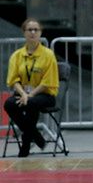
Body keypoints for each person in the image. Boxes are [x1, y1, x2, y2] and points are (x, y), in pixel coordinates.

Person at [4, 18, 59, 157]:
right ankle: (36, 136)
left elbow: (47, 82)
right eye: (29, 30)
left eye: (36, 30)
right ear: (24, 33)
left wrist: (29, 96)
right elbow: (13, 80)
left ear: (40, 33)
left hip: (44, 94)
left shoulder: (48, 54)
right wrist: (23, 94)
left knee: (31, 103)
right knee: (9, 104)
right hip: (24, 93)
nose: (33, 32)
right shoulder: (17, 55)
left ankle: (26, 143)